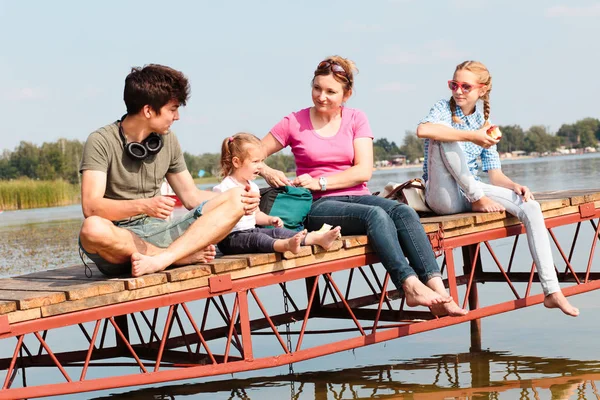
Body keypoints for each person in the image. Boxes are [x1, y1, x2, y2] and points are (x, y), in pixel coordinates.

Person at [259, 55, 467, 316]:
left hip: (357, 196)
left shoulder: (356, 119)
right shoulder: (293, 122)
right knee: (376, 215)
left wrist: (321, 180)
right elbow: (251, 153)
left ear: (347, 94)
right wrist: (266, 169)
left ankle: (439, 290)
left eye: (331, 91)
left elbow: (362, 171)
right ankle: (410, 285)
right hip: (317, 205)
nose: (322, 96)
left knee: (402, 211)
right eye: (317, 88)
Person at [416, 60, 579, 317]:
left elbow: (495, 174)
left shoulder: (485, 123)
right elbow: (423, 130)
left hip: (475, 190)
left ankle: (552, 291)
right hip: (443, 196)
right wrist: (472, 136)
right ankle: (476, 197)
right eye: (454, 84)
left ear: (481, 91)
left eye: (465, 86)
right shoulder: (442, 109)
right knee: (441, 135)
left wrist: (515, 186)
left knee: (531, 206)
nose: (458, 91)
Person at [78, 64, 259, 277]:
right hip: (119, 243)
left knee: (237, 196)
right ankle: (178, 257)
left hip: (160, 233)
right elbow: (91, 207)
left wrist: (238, 199)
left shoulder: (168, 140)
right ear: (148, 110)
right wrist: (143, 206)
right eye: (172, 109)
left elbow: (192, 197)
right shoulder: (100, 141)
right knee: (92, 229)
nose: (177, 116)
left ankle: (163, 258)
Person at [214, 132, 342, 255]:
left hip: (249, 231)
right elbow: (216, 222)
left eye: (261, 161)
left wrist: (269, 219)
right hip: (230, 239)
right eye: (255, 162)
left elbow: (256, 214)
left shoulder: (252, 186)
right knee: (257, 238)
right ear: (236, 162)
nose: (260, 166)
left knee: (276, 232)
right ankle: (286, 245)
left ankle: (317, 239)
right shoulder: (224, 188)